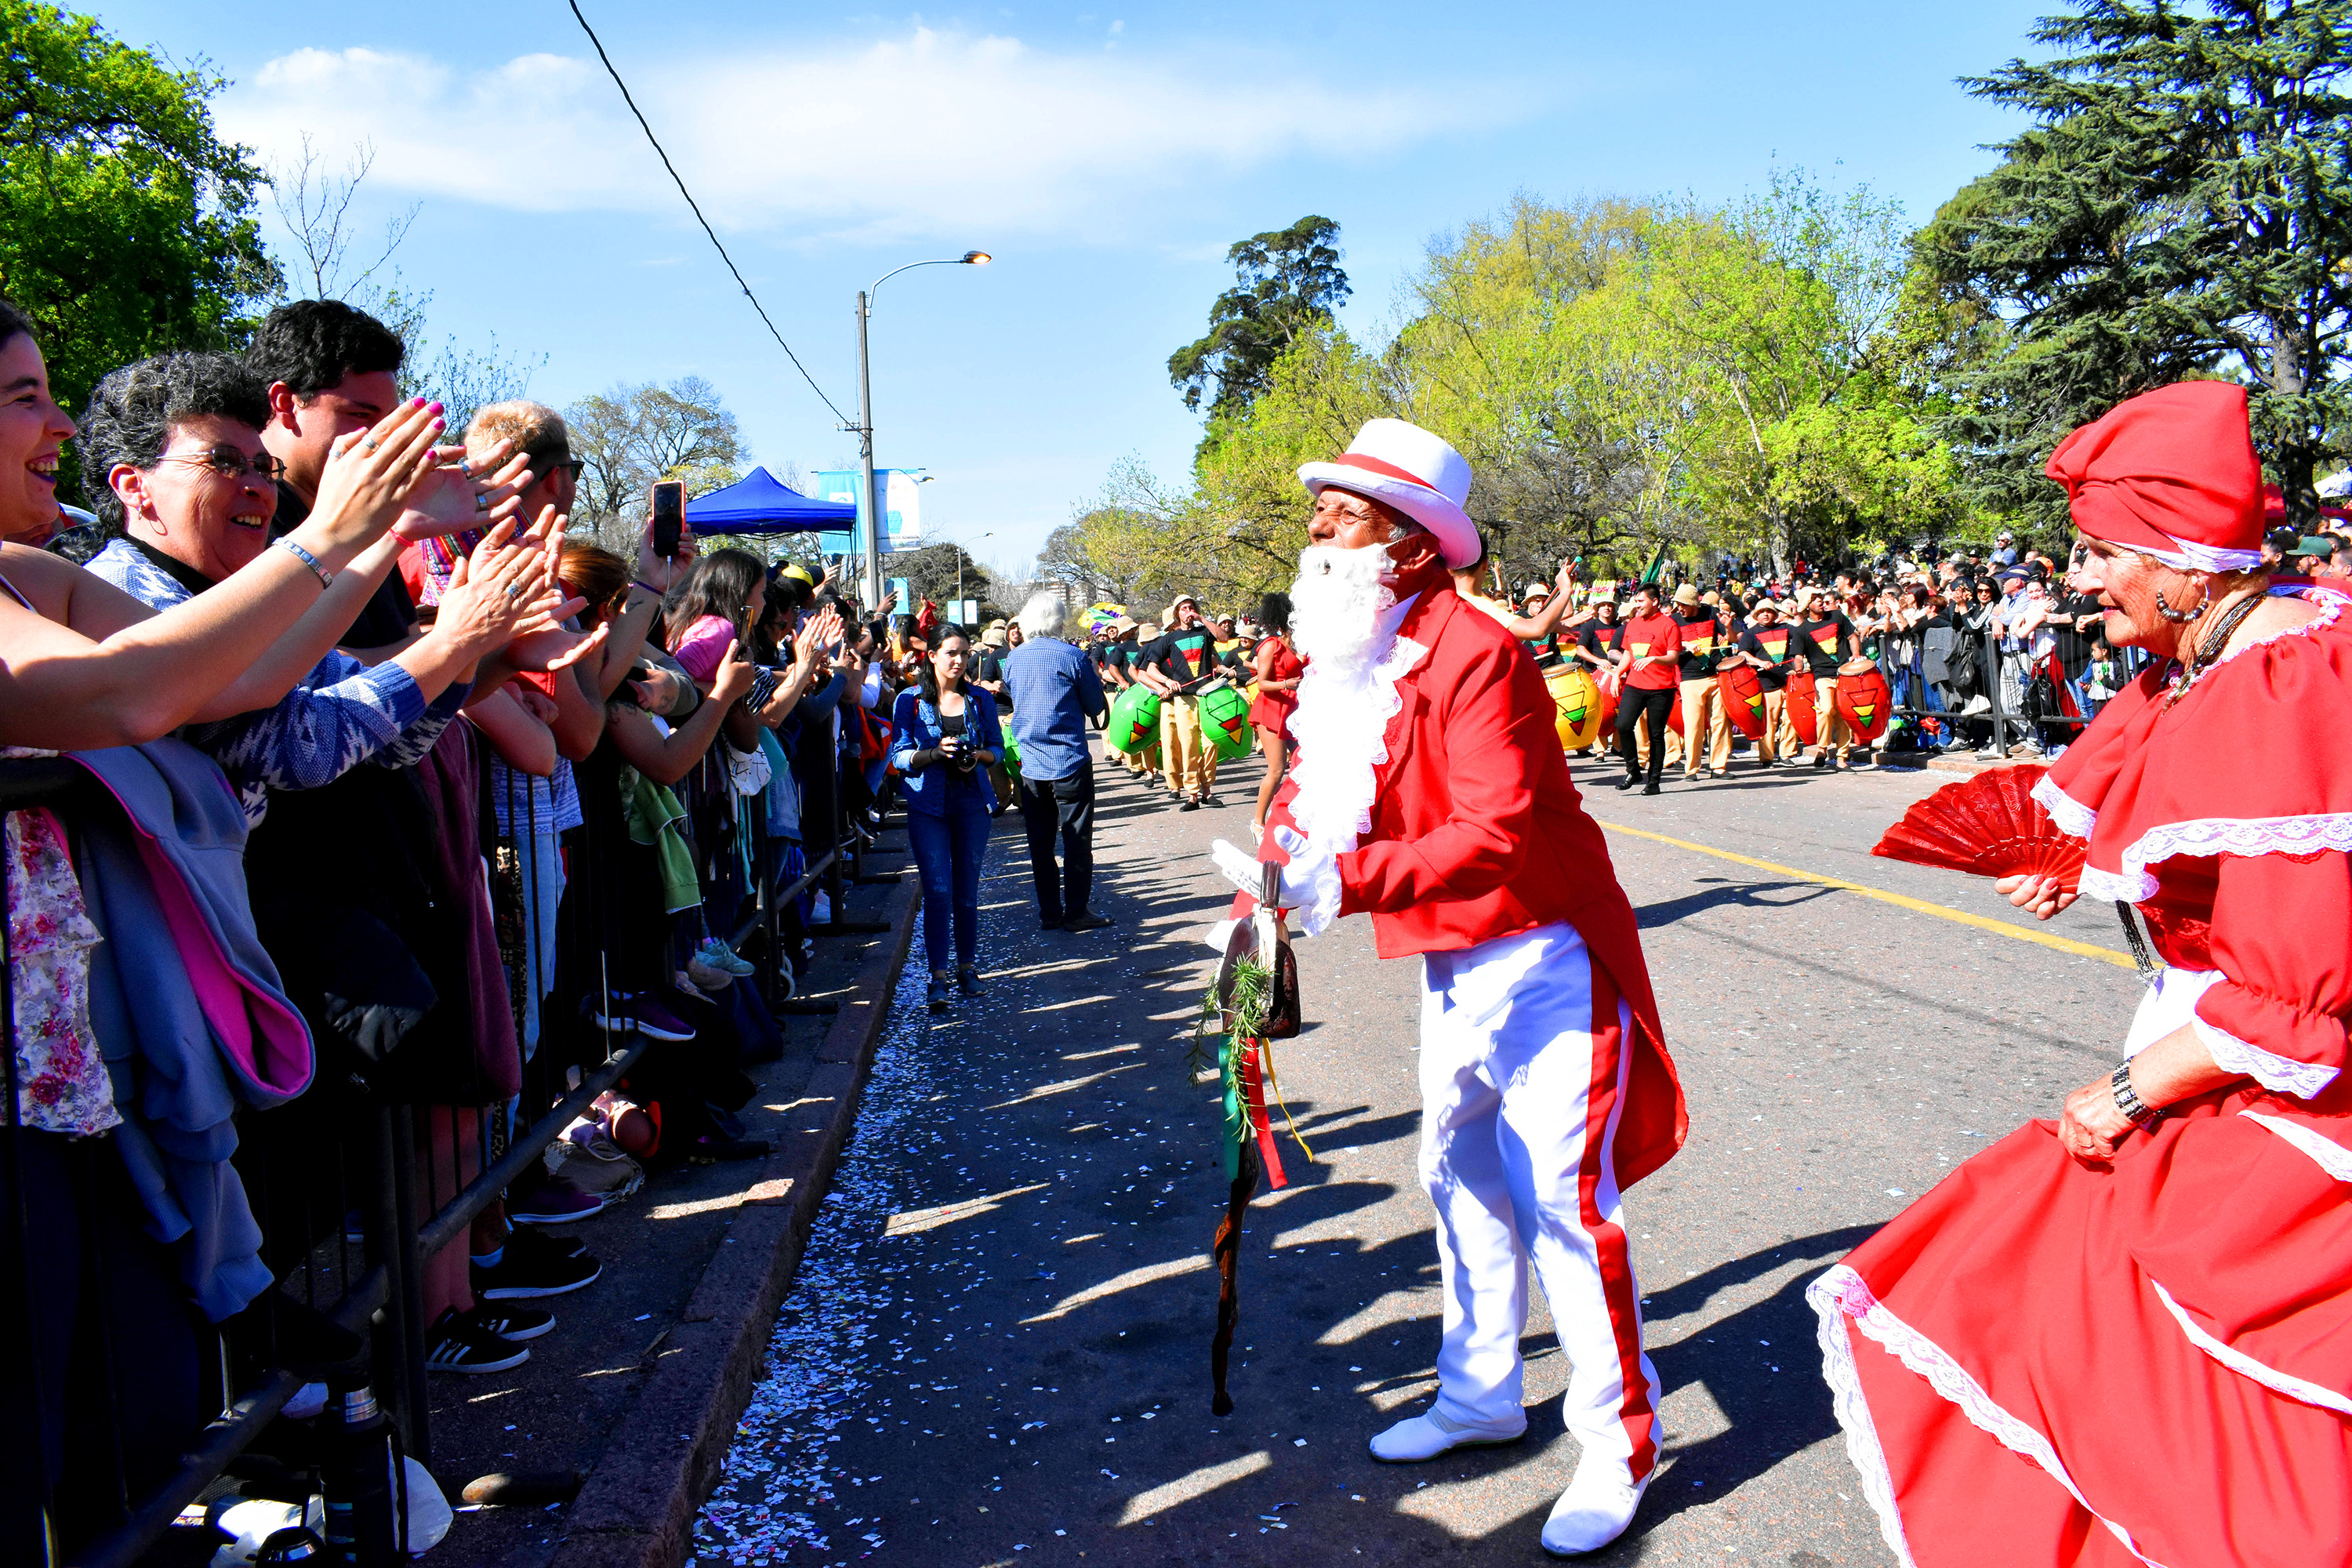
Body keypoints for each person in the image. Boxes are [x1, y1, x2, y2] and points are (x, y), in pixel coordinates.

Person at [1811, 380, 2352, 1567]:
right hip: (2224, 1042)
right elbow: (2140, 798)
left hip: (2270, 1084)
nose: (2082, 581)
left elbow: (2303, 1002)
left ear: (2188, 562)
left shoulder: (2279, 688)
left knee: (2168, 1369)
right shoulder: (2210, 660)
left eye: (2106, 554)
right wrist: (2082, 856)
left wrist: (2127, 1093)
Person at [1210, 417, 1685, 1555]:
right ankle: (1481, 1395)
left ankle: (1620, 1441)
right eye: (1318, 508)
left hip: (1545, 956)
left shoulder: (1478, 651)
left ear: (1411, 547)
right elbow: (1314, 798)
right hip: (1455, 960)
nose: (1316, 529)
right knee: (1457, 1171)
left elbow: (1499, 832)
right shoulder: (1355, 653)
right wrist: (1259, 909)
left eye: (1342, 514)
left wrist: (1345, 879)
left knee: (1566, 1203)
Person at [890, 628, 1003, 1011]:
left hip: (972, 803)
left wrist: (979, 755)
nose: (960, 661)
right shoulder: (910, 700)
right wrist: (934, 753)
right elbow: (899, 756)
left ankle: (967, 969)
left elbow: (998, 751)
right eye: (952, 653)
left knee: (967, 893)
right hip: (928, 806)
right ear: (932, 655)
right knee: (937, 892)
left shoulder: (980, 698)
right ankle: (937, 976)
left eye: (965, 654)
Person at [1003, 592, 1109, 934]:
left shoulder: (1013, 660)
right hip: (1069, 761)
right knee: (1077, 841)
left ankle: (1049, 912)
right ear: (1058, 622)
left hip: (1031, 762)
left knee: (1040, 843)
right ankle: (1077, 912)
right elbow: (1095, 707)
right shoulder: (1072, 656)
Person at [1138, 593, 1225, 809]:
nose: (1188, 611)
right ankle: (1193, 794)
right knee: (1188, 746)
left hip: (1207, 695)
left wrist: (1202, 618)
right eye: (1184, 608)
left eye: (1191, 607)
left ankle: (1208, 790)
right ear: (1177, 614)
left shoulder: (1204, 632)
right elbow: (1149, 669)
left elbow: (1223, 637)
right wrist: (1167, 682)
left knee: (1211, 743)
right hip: (1184, 700)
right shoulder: (1168, 639)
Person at [1612, 584, 1680, 795]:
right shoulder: (1631, 624)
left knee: (1656, 734)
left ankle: (1654, 782)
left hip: (1661, 688)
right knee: (1623, 725)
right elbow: (1627, 654)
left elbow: (1673, 657)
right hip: (1634, 685)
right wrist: (1617, 674)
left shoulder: (1668, 625)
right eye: (1636, 601)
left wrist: (1654, 658)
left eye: (1641, 601)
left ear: (1655, 601)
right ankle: (1633, 770)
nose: (1637, 605)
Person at [1248, 590, 1303, 839]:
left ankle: (1293, 817)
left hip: (1294, 711)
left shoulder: (1301, 644)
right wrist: (1286, 684)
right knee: (1277, 769)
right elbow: (1261, 684)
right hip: (1271, 709)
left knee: (1306, 763)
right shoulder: (1270, 646)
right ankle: (1258, 822)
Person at [1668, 583, 1732, 780]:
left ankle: (1718, 767)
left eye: (1683, 605)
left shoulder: (1711, 613)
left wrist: (1729, 629)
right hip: (1690, 679)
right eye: (1678, 604)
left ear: (1695, 604)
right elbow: (1666, 648)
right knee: (1693, 725)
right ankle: (1692, 768)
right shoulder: (1672, 621)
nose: (1680, 608)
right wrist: (1685, 644)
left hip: (1716, 676)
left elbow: (1732, 638)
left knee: (1720, 723)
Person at [1790, 586, 1857, 770]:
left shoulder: (1837, 616)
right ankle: (1822, 748)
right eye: (1815, 598)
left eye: (1821, 597)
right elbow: (1797, 655)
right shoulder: (1802, 630)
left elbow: (1852, 637)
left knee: (1844, 715)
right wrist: (1798, 666)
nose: (1821, 600)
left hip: (1844, 673)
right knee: (1826, 711)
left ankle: (1842, 758)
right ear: (1807, 606)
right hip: (1822, 676)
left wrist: (1856, 656)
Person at [1731, 599, 1795, 766]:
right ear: (1756, 615)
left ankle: (1786, 755)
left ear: (1775, 614)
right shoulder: (1750, 634)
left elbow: (1804, 636)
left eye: (1769, 611)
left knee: (1791, 719)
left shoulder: (1786, 628)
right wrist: (1760, 662)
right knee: (1769, 721)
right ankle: (1767, 757)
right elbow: (1743, 654)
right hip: (1767, 684)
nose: (1766, 614)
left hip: (1789, 681)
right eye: (1762, 612)